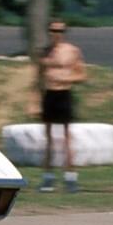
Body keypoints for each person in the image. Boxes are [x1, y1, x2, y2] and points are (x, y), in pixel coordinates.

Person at [37, 20, 87, 193]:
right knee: (49, 137)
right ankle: (48, 178)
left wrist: (65, 79)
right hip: (49, 94)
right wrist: (33, 100)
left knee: (66, 137)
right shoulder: (44, 52)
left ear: (64, 32)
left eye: (59, 30)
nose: (56, 33)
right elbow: (37, 78)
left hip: (64, 93)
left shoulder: (72, 51)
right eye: (52, 30)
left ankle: (70, 177)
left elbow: (82, 75)